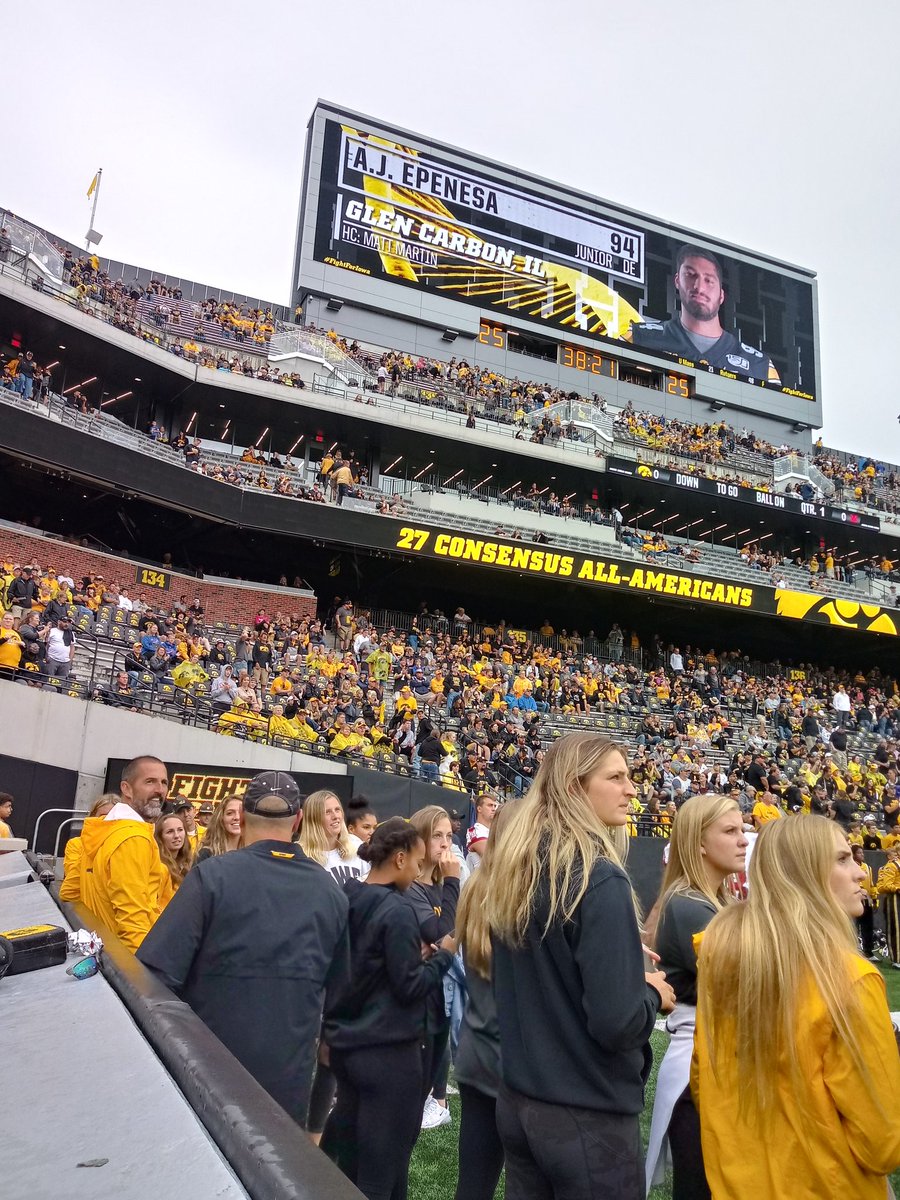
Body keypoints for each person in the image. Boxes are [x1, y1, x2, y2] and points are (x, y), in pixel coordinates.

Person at [486, 734, 674, 1199]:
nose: (632, 789)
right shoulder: (598, 876)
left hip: (519, 1102)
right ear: (574, 786)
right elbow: (616, 1022)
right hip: (584, 1111)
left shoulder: (519, 866)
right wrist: (651, 992)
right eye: (616, 777)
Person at [693, 816, 900, 1198]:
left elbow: (705, 1084)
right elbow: (882, 1142)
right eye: (841, 859)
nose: (859, 873)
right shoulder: (849, 980)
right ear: (803, 874)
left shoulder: (720, 962)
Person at [138, 771, 350, 1127]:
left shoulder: (212, 876)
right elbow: (341, 1000)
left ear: (246, 817)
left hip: (204, 1075)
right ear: (298, 820)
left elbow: (153, 977)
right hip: (286, 1081)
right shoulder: (330, 892)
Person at [321, 818, 455, 1200]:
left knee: (355, 1162)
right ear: (398, 859)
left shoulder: (346, 894)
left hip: (347, 1049)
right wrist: (443, 956)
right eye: (415, 861)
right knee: (382, 1172)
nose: (417, 870)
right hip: (388, 1056)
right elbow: (411, 986)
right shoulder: (396, 911)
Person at [644, 794, 747, 1199]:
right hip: (700, 1067)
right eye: (730, 831)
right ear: (698, 842)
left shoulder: (713, 900)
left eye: (742, 830)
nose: (742, 840)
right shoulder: (689, 906)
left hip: (715, 1061)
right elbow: (749, 986)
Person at [452, 802, 517, 1200]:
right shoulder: (520, 895)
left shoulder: (477, 885)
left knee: (473, 1183)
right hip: (512, 1060)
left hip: (476, 1051)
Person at [628, 245, 772, 382]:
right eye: (690, 275)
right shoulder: (637, 337)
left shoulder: (760, 365)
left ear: (721, 295)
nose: (699, 287)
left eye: (708, 280)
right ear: (677, 280)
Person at [406, 804, 462, 1130]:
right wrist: (454, 881)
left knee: (440, 1042)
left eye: (449, 836)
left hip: (442, 983)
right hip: (419, 988)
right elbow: (443, 933)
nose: (444, 844)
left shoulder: (441, 884)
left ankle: (437, 1100)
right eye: (436, 835)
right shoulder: (413, 886)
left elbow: (452, 935)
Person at [78, 756, 170, 950]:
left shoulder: (103, 830)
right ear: (126, 788)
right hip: (122, 959)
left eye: (164, 782)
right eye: (150, 781)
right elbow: (133, 921)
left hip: (102, 949)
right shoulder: (133, 839)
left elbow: (70, 892)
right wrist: (138, 976)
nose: (159, 790)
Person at [300, 790, 369, 885]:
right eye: (327, 812)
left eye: (337, 810)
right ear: (313, 819)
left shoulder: (356, 845)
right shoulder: (300, 855)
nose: (335, 816)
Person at [58, 794, 117, 901]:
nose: (107, 820)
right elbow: (73, 879)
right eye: (102, 816)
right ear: (93, 817)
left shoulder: (123, 847)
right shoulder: (76, 844)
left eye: (112, 817)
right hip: (81, 904)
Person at [154, 813, 193, 908]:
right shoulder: (160, 867)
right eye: (170, 832)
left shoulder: (185, 864)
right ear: (160, 837)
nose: (176, 835)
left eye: (180, 830)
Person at [195, 795, 242, 862]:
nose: (237, 817)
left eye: (241, 812)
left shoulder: (254, 853)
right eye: (230, 813)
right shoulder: (206, 855)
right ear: (221, 818)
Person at [852, 844, 878, 961]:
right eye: (859, 853)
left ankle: (868, 951)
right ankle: (854, 950)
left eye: (862, 852)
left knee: (869, 926)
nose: (862, 855)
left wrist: (874, 897)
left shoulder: (867, 867)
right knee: (855, 926)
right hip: (856, 900)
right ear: (853, 854)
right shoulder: (851, 866)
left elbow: (872, 884)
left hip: (867, 901)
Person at [877, 844, 900, 968]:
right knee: (895, 927)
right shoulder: (891, 866)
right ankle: (896, 958)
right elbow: (885, 885)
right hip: (894, 898)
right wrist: (897, 888)